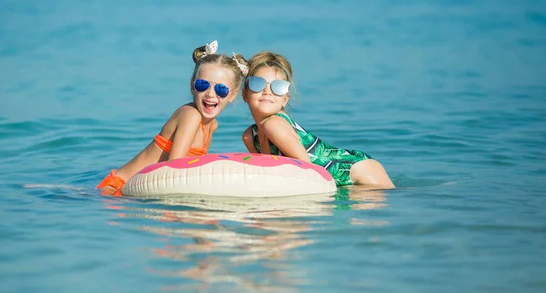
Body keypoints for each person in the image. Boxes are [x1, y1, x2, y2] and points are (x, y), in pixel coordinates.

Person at [97, 40, 248, 195]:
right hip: (116, 190)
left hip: (134, 192)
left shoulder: (212, 125)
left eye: (221, 89)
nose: (210, 94)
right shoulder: (191, 116)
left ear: (233, 94)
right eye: (203, 85)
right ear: (192, 86)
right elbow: (174, 170)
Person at [241, 51, 395, 188]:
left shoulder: (274, 124)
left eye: (278, 87)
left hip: (356, 171)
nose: (267, 91)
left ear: (285, 99)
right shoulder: (250, 136)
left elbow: (306, 166)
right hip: (338, 180)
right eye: (257, 84)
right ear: (245, 94)